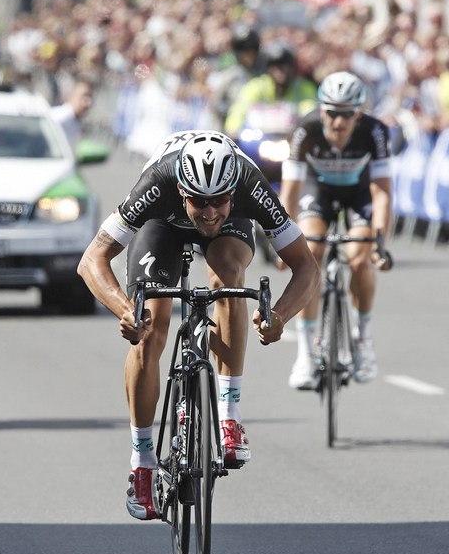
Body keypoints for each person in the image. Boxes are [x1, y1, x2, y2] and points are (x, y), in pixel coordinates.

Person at [77, 130, 319, 521]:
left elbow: (307, 266)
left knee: (228, 275)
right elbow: (92, 260)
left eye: (218, 202)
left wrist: (280, 315)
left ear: (232, 192)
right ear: (181, 189)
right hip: (162, 225)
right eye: (200, 203)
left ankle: (229, 416)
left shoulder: (248, 183)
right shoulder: (157, 183)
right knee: (149, 328)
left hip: (231, 232)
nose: (209, 213)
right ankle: (141, 462)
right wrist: (125, 309)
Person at [280, 71, 393, 389]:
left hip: (359, 194)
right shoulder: (306, 129)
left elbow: (383, 192)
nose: (339, 123)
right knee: (310, 254)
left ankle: (363, 339)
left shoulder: (375, 132)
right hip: (319, 192)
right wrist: (281, 244)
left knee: (359, 259)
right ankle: (306, 352)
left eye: (347, 115)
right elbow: (289, 192)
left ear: (359, 113)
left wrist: (380, 241)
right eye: (332, 113)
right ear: (322, 111)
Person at [223, 41, 318, 138]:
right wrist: (233, 129)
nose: (281, 71)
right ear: (268, 68)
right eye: (275, 66)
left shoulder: (304, 87)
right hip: (259, 139)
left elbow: (310, 110)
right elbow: (239, 109)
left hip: (290, 138)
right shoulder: (255, 87)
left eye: (285, 65)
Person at [50, 77, 93, 150]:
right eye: (85, 96)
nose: (89, 102)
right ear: (71, 95)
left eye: (91, 97)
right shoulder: (59, 117)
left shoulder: (76, 120)